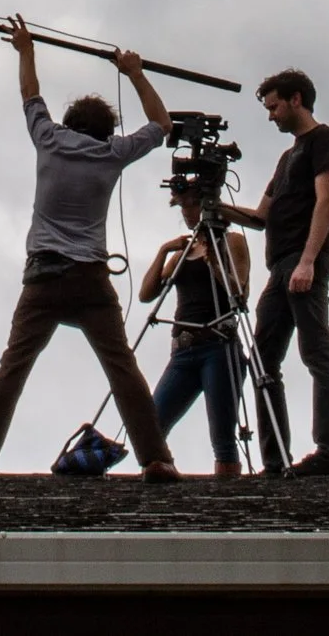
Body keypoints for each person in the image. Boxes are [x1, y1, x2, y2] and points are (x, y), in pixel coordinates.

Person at [0, 16, 181, 480]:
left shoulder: (49, 139)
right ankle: (156, 458)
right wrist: (135, 73)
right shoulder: (113, 153)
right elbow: (162, 124)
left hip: (44, 277)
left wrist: (26, 48)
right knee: (122, 368)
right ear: (106, 131)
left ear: (70, 123)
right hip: (91, 280)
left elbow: (30, 93)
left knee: (13, 365)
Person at [220, 68, 329, 477]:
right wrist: (214, 206)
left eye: (274, 107)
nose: (271, 115)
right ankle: (275, 460)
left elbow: (326, 201)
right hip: (280, 265)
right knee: (263, 360)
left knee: (316, 353)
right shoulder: (287, 157)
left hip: (303, 257)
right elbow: (260, 217)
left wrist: (308, 261)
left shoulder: (324, 140)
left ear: (296, 100)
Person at [140, 187, 255, 476]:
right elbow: (146, 294)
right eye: (183, 207)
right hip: (183, 350)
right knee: (151, 425)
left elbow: (239, 294)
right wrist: (165, 250)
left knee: (223, 437)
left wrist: (214, 263)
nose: (187, 213)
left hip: (218, 345)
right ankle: (163, 469)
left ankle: (228, 492)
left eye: (191, 205)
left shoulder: (231, 241)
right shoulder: (183, 251)